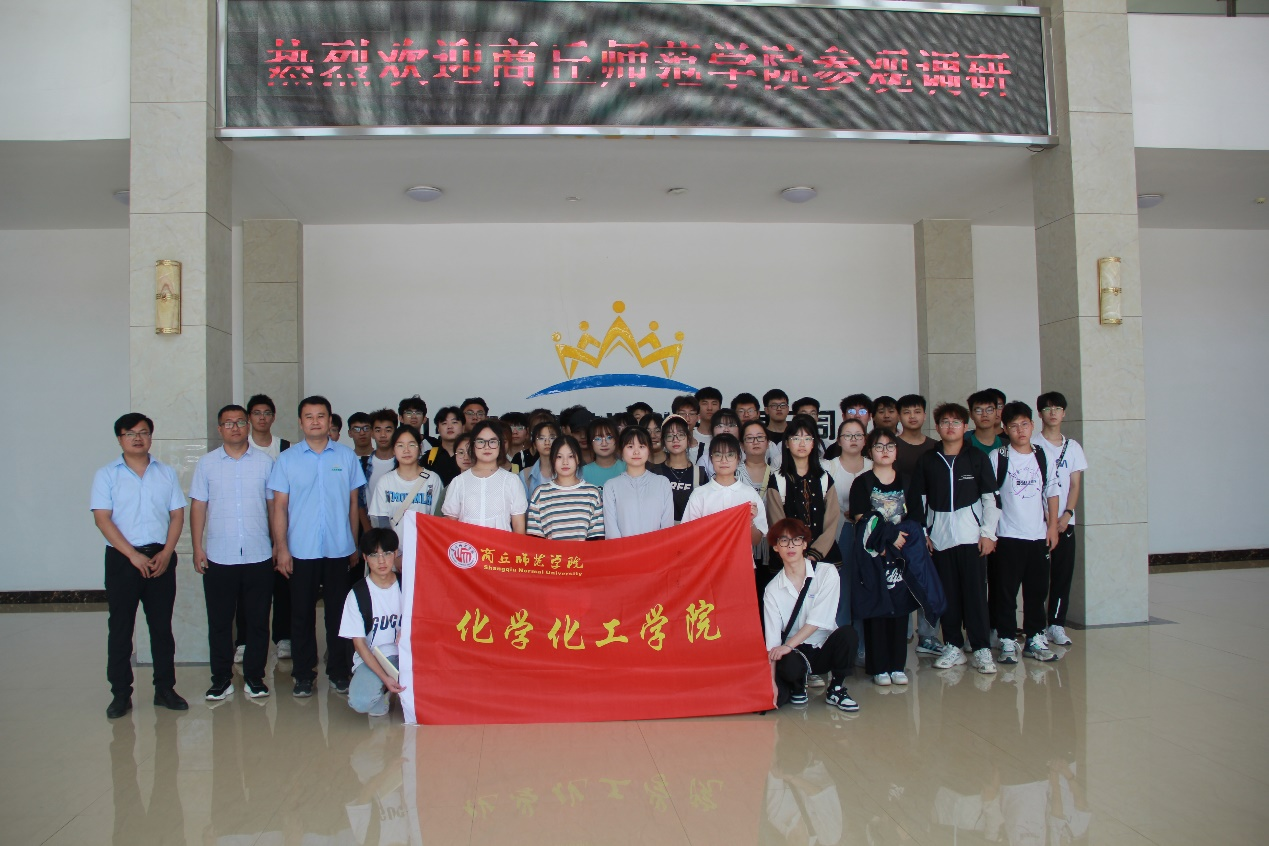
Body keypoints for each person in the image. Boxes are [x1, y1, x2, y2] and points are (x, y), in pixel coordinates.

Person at [91, 412, 189, 718]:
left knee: (161, 627)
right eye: (130, 433)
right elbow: (102, 519)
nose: (137, 438)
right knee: (121, 628)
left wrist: (167, 552)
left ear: (150, 437)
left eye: (143, 432)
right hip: (123, 559)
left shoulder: (166, 472)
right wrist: (132, 555)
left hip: (160, 557)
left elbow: (177, 514)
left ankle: (165, 689)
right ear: (119, 439)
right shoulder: (106, 475)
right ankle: (121, 694)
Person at [268, 395, 366, 698]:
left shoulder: (346, 457)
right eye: (308, 417)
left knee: (338, 614)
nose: (315, 421)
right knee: (301, 614)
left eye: (320, 416)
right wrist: (281, 548)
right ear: (300, 422)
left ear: (329, 420)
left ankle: (339, 672)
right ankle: (303, 675)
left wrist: (353, 544)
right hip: (301, 549)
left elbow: (353, 504)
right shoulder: (287, 459)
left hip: (339, 548)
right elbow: (279, 507)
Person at [907, 403, 1001, 675]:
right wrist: (924, 534)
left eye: (956, 422)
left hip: (972, 538)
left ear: (965, 427)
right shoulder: (928, 460)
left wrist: (988, 533)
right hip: (940, 539)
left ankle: (981, 648)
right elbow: (918, 501)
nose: (950, 427)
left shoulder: (976, 458)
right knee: (946, 596)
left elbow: (990, 498)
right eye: (945, 422)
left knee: (975, 595)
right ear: (937, 427)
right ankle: (953, 646)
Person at [190, 404, 275, 702]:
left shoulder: (265, 463)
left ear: (248, 425)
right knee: (220, 622)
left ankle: (254, 677)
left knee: (258, 621)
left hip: (259, 553)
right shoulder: (207, 464)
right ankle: (221, 679)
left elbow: (273, 507)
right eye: (228, 423)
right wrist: (197, 547)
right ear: (220, 429)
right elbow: (198, 506)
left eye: (240, 422)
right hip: (219, 555)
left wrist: (279, 544)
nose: (235, 427)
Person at [848, 429, 939, 687]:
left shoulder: (907, 482)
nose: (885, 451)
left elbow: (916, 519)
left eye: (890, 446)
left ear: (896, 451)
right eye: (879, 447)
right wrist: (887, 539)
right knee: (877, 608)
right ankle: (878, 667)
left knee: (900, 608)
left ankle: (898, 665)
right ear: (870, 451)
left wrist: (899, 542)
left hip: (902, 554)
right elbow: (861, 519)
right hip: (873, 554)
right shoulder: (862, 483)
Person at [989, 402, 1061, 664]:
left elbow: (1052, 491)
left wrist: (1052, 527)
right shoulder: (998, 457)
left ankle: (1035, 637)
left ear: (1032, 425)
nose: (1020, 430)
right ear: (1005, 429)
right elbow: (989, 497)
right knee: (1006, 591)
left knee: (1037, 590)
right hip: (1008, 535)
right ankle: (1007, 638)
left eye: (1024, 424)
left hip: (1038, 535)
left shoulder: (1043, 455)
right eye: (1014, 426)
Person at [763, 518, 859, 712]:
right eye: (783, 541)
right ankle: (798, 686)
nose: (791, 546)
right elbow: (772, 642)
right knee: (786, 661)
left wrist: (787, 646)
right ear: (775, 547)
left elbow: (819, 620)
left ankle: (836, 688)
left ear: (805, 544)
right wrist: (770, 683)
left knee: (848, 635)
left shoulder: (827, 573)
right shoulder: (772, 589)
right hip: (796, 653)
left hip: (823, 646)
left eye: (796, 540)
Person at [1033, 391, 1087, 647]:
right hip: (1039, 523)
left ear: (1064, 413)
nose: (1052, 412)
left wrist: (1067, 514)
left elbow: (1075, 485)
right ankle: (1036, 626)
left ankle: (1056, 624)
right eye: (1047, 408)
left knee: (1062, 574)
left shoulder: (1073, 447)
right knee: (1038, 576)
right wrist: (1049, 519)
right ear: (1040, 413)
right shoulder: (1032, 445)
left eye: (1057, 408)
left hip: (1066, 522)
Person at [683, 434, 768, 596]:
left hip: (741, 567)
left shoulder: (749, 494)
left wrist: (749, 522)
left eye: (730, 455)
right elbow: (689, 536)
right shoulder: (700, 494)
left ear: (738, 458)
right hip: (707, 568)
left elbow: (756, 540)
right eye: (718, 455)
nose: (724, 460)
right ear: (711, 458)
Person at [339, 528, 405, 717]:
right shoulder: (357, 594)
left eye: (387, 553)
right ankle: (382, 691)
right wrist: (385, 677)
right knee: (360, 701)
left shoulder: (407, 586)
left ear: (395, 554)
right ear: (365, 558)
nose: (381, 561)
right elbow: (359, 645)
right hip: (375, 658)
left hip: (406, 656)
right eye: (374, 555)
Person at [766, 415, 841, 566]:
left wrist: (816, 553)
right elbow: (777, 522)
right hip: (788, 558)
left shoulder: (824, 479)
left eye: (807, 438)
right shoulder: (777, 480)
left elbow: (832, 521)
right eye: (796, 438)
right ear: (787, 443)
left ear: (813, 443)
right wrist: (795, 553)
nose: (802, 443)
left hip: (824, 557)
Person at [367, 425, 445, 549]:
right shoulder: (385, 481)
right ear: (393, 450)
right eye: (400, 445)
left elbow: (438, 521)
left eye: (411, 445)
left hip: (424, 551)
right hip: (392, 552)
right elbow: (380, 520)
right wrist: (393, 552)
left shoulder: (432, 479)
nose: (406, 450)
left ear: (420, 448)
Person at [442, 419, 527, 532]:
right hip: (467, 543)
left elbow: (519, 526)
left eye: (492, 441)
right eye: (481, 441)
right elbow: (450, 524)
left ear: (500, 445)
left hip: (500, 543)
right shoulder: (458, 482)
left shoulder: (512, 480)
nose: (487, 447)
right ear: (473, 445)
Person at [526, 435, 605, 540]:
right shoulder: (540, 493)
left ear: (578, 459)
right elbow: (535, 539)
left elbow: (596, 538)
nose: (565, 462)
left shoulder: (592, 493)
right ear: (552, 459)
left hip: (584, 551)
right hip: (551, 551)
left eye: (571, 456)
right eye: (559, 457)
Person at [603, 427, 674, 538]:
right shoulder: (611, 486)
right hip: (623, 548)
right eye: (630, 447)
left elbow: (667, 527)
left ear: (649, 450)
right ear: (621, 451)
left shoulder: (662, 483)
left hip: (657, 548)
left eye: (641, 446)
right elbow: (611, 530)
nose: (636, 452)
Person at [648, 415, 707, 523]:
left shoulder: (700, 474)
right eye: (670, 436)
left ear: (688, 439)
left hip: (692, 531)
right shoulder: (654, 473)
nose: (675, 440)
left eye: (680, 435)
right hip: (663, 531)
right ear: (664, 441)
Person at [822, 419, 870, 519]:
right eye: (847, 435)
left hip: (868, 525)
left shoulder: (874, 467)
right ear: (839, 441)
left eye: (858, 435)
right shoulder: (827, 467)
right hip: (836, 525)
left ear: (865, 440)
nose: (853, 439)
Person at [894, 394, 939, 479]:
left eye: (917, 412)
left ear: (924, 416)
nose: (912, 416)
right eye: (907, 412)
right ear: (899, 417)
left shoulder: (936, 446)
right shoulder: (892, 446)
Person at [363, 409, 400, 502]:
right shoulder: (363, 465)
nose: (383, 435)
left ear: (395, 432)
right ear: (372, 433)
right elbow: (359, 500)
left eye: (388, 430)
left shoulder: (403, 463)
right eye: (378, 430)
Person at [581, 417, 626, 488]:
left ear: (617, 439)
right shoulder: (582, 473)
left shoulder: (627, 469)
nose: (604, 443)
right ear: (590, 442)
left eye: (609, 437)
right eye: (598, 438)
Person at [697, 408, 741, 480]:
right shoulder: (704, 460)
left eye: (731, 425)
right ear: (712, 430)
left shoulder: (747, 456)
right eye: (720, 426)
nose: (726, 430)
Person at [422, 406, 463, 484]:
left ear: (463, 426)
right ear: (438, 429)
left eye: (454, 422)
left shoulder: (471, 456)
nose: (450, 427)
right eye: (444, 423)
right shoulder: (428, 458)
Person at [521, 420, 562, 497]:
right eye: (541, 438)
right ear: (534, 445)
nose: (547, 442)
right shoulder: (525, 475)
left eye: (552, 438)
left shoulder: (572, 471)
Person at [246, 394, 291, 459]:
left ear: (273, 417)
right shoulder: (242, 445)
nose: (262, 417)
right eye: (257, 413)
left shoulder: (286, 447)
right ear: (249, 417)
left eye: (267, 413)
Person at [966, 390, 1004, 455]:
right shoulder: (964, 446)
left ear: (996, 412)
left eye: (989, 410)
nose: (984, 415)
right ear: (971, 415)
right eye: (978, 411)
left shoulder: (1007, 445)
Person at [694, 386, 723, 456]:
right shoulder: (688, 435)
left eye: (714, 404)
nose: (709, 408)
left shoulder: (725, 435)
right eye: (705, 403)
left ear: (720, 407)